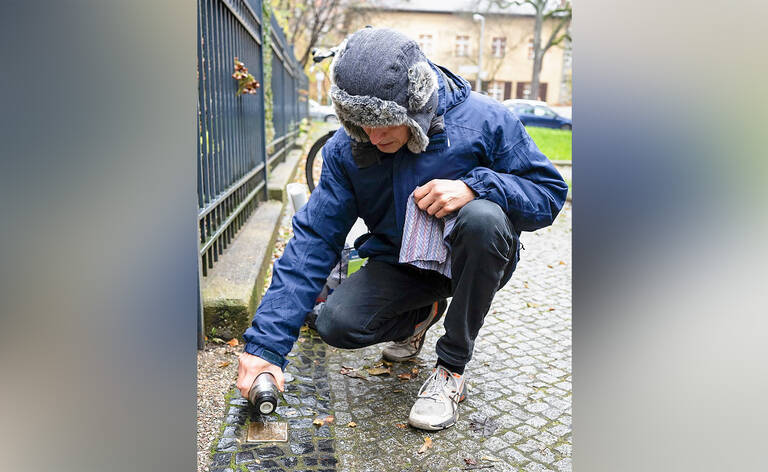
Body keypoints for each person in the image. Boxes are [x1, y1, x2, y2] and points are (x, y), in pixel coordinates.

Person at [237, 27, 567, 431]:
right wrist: (265, 347)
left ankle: (450, 370)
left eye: (385, 123)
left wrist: (476, 186)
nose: (373, 136)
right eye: (359, 123)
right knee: (334, 323)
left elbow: (549, 194)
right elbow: (315, 239)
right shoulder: (347, 148)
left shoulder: (486, 120)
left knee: (482, 218)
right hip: (400, 264)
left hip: (475, 260)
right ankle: (420, 316)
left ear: (417, 102)